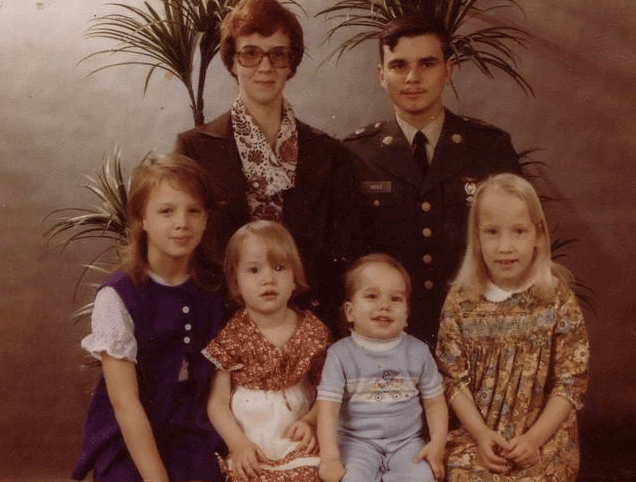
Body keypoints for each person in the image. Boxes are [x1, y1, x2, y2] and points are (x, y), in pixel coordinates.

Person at [175, 0, 359, 328]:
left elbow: (341, 256)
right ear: (232, 61)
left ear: (291, 62)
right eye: (250, 53)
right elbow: (189, 253)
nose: (265, 66)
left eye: (278, 53)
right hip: (221, 323)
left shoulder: (328, 152)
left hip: (308, 324)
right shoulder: (195, 148)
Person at [344, 15, 522, 347]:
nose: (413, 78)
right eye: (398, 66)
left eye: (427, 64)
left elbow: (517, 246)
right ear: (381, 76)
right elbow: (345, 258)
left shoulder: (489, 148)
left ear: (448, 70)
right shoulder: (356, 154)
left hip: (477, 333)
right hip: (387, 340)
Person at [72, 153, 224, 482]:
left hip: (191, 427)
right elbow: (125, 403)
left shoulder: (215, 288)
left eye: (193, 210)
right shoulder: (119, 295)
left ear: (206, 219)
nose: (182, 222)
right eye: (166, 211)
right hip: (131, 432)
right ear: (142, 219)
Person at [436, 173, 589, 481]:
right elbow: (453, 381)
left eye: (519, 231)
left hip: (543, 435)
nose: (505, 246)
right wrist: (481, 435)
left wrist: (534, 439)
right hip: (481, 434)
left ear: (538, 235)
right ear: (477, 239)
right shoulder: (462, 301)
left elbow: (570, 382)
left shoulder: (556, 297)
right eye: (492, 232)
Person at [203, 220, 331, 481]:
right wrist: (237, 444)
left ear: (294, 279)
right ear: (236, 282)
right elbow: (217, 404)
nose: (268, 279)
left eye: (279, 268)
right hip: (250, 437)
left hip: (297, 431)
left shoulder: (312, 330)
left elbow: (329, 390)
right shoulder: (232, 334)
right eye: (253, 270)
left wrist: (311, 420)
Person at [317, 253, 448, 482]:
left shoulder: (418, 352)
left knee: (423, 478)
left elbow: (435, 403)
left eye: (395, 299)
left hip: (407, 443)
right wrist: (329, 457)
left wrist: (437, 443)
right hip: (356, 443)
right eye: (371, 296)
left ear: (406, 314)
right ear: (350, 311)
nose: (384, 306)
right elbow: (328, 409)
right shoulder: (340, 354)